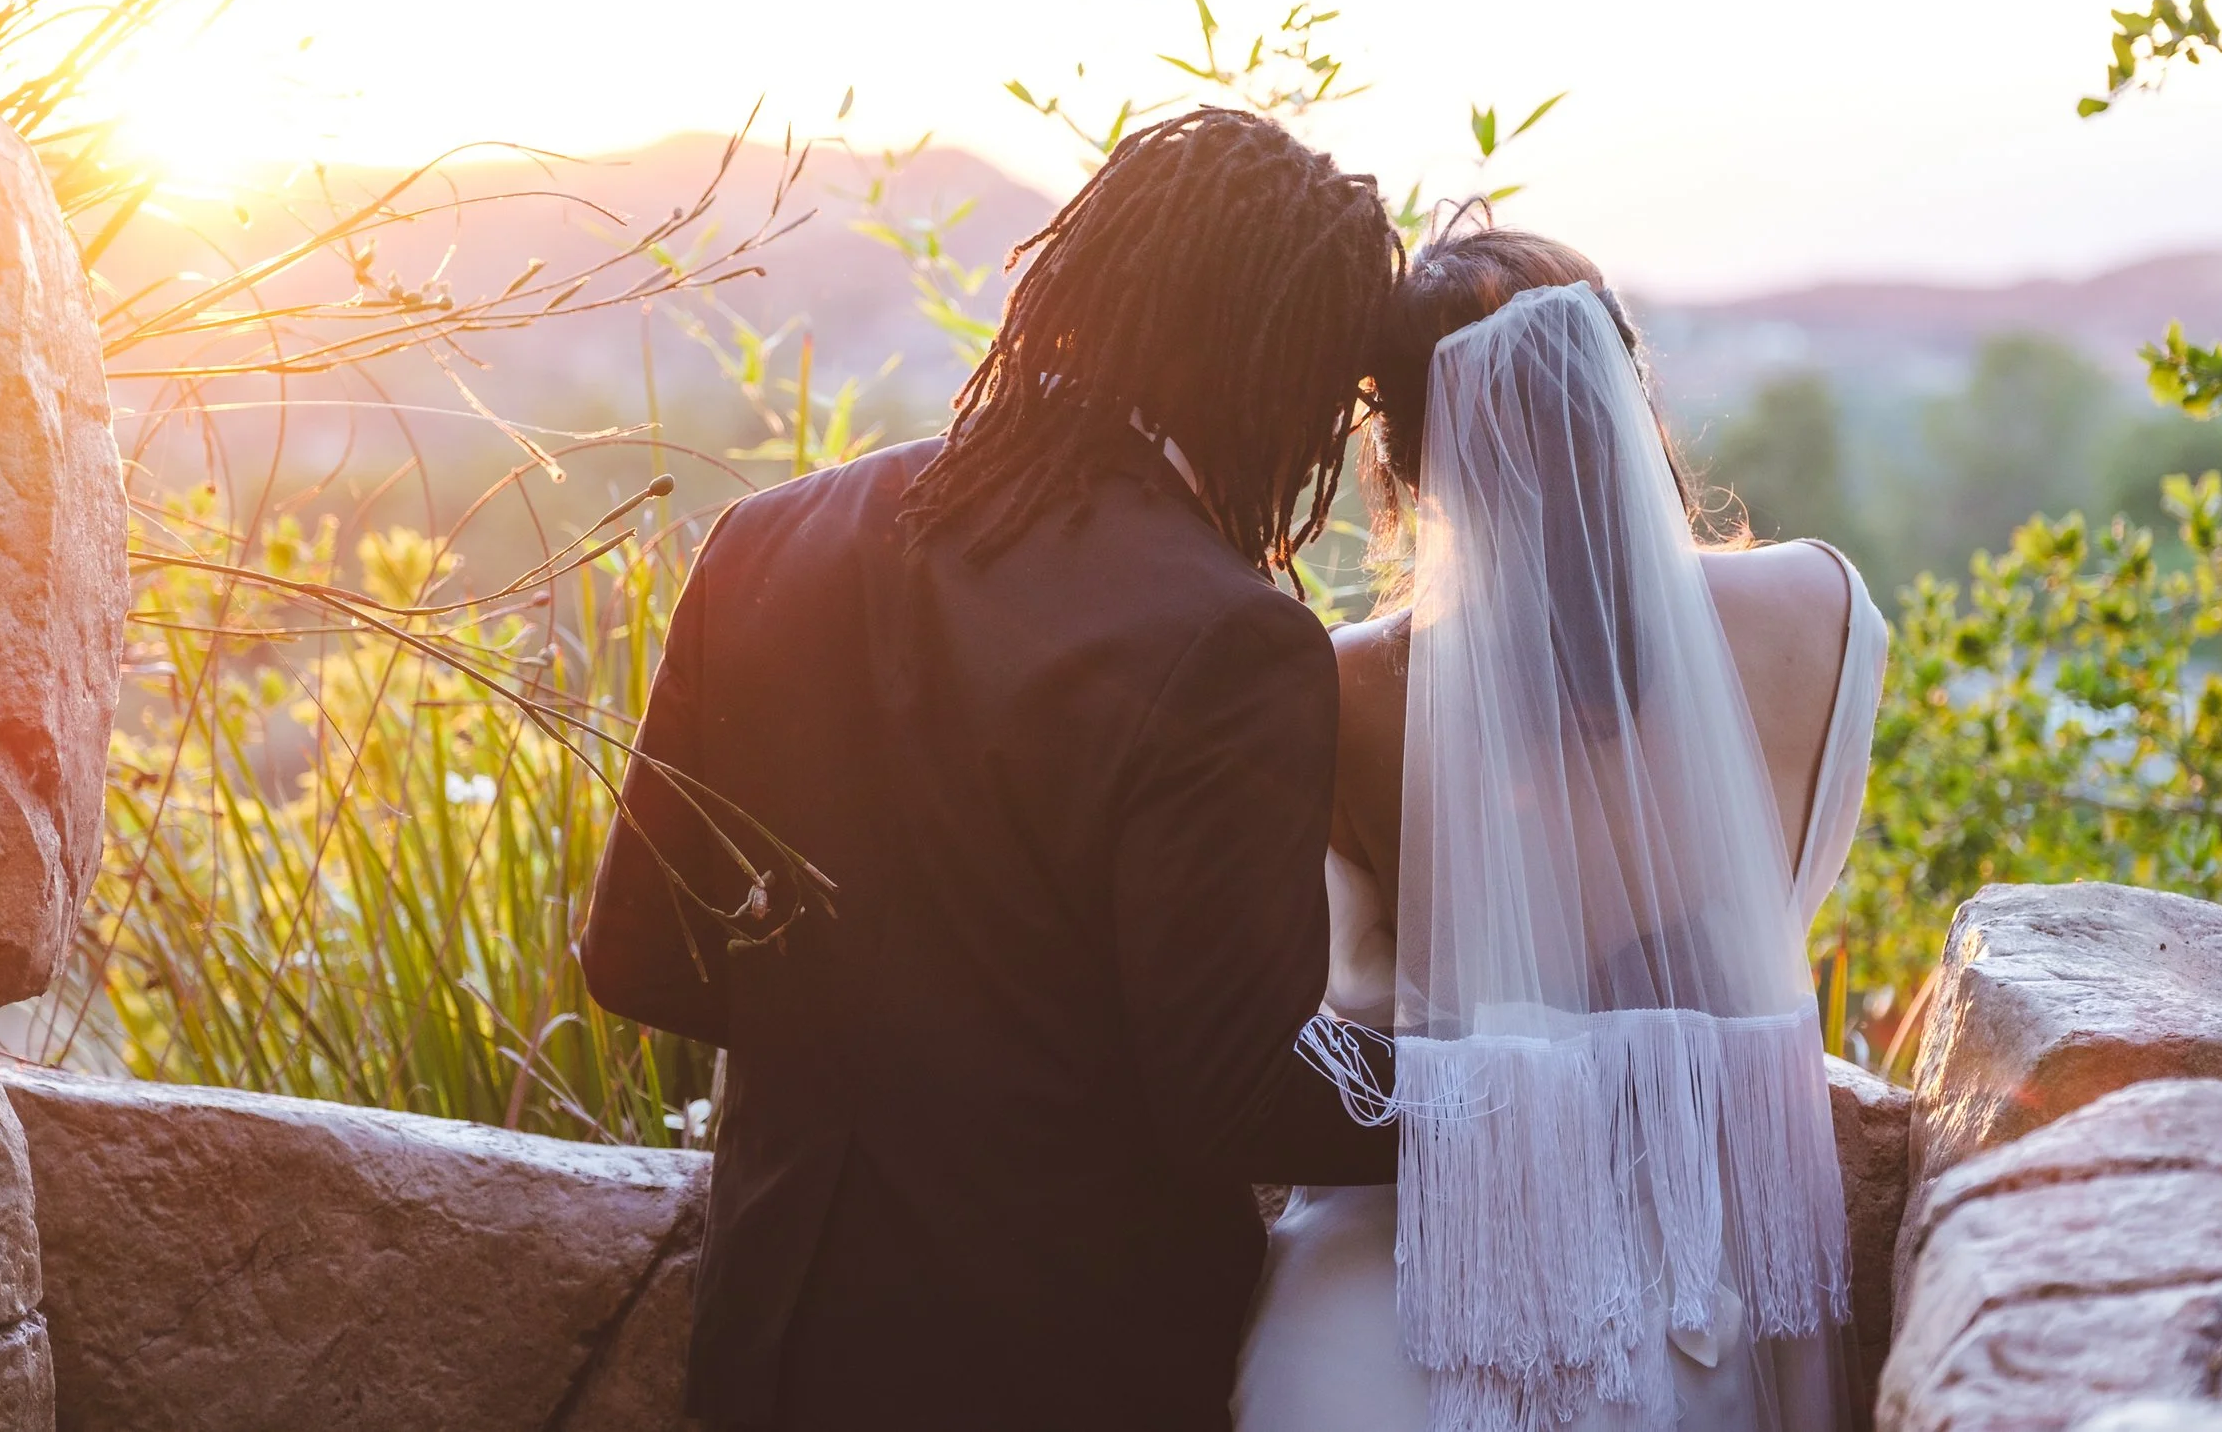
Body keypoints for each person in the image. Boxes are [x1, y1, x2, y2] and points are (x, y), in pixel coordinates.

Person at [581, 109, 1407, 1431]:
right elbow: (1237, 1086)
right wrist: (1500, 1098)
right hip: (1061, 1367)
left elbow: (636, 956)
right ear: (1279, 369)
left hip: (772, 1345)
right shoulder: (1231, 639)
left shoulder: (764, 538)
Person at [1236, 214, 1889, 1432]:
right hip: (1720, 1269)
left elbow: (1337, 1005)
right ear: (1624, 380)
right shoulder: (1824, 610)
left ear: (1408, 459)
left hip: (1427, 1272)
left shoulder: (1348, 688)